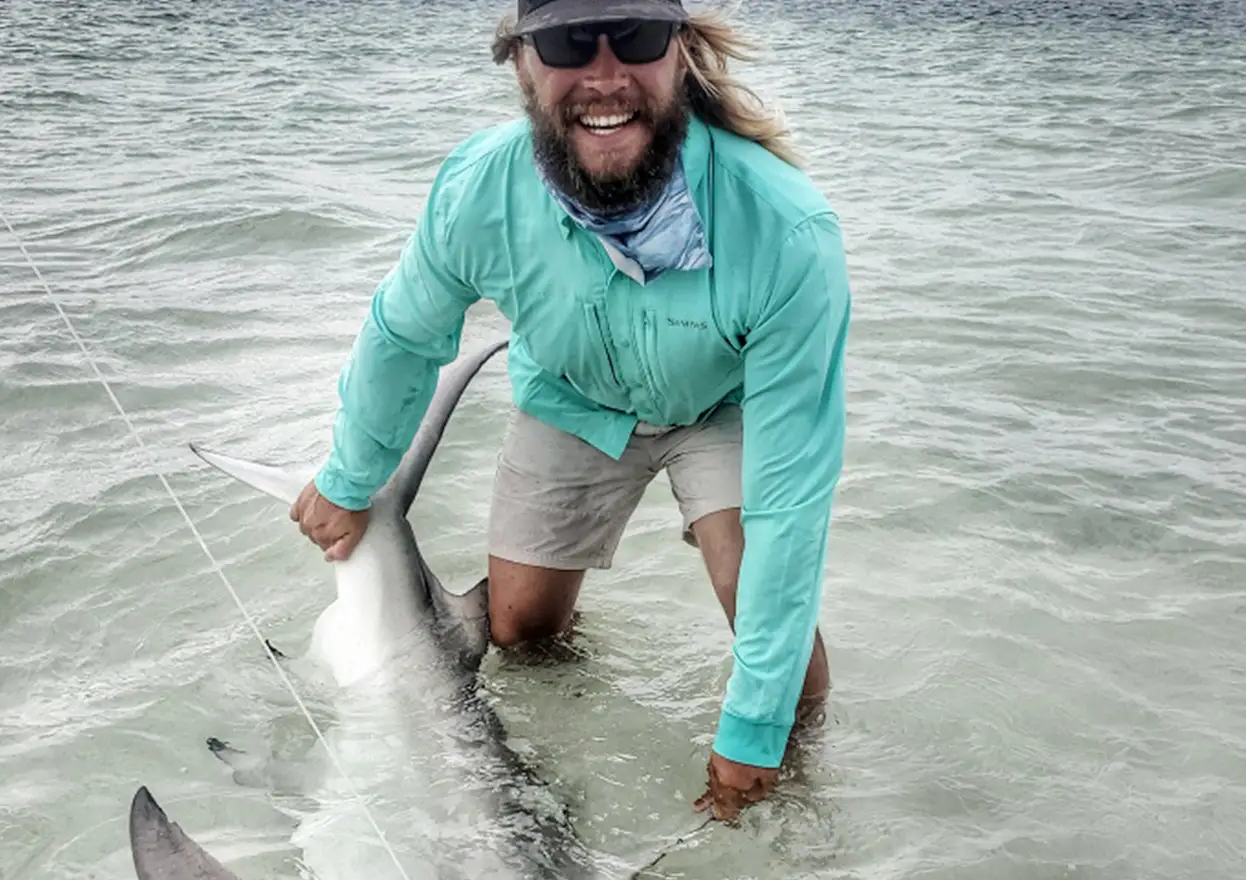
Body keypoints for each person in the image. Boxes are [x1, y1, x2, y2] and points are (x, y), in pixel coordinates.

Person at [291, 0, 851, 822]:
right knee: (518, 632)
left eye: (634, 37)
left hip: (721, 407)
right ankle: (552, 770)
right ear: (520, 61)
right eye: (565, 42)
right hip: (572, 396)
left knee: (767, 625)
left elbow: (790, 503)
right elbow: (403, 338)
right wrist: (348, 478)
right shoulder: (479, 188)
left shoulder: (787, 230)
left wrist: (752, 732)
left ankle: (802, 793)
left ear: (681, 54)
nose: (603, 74)